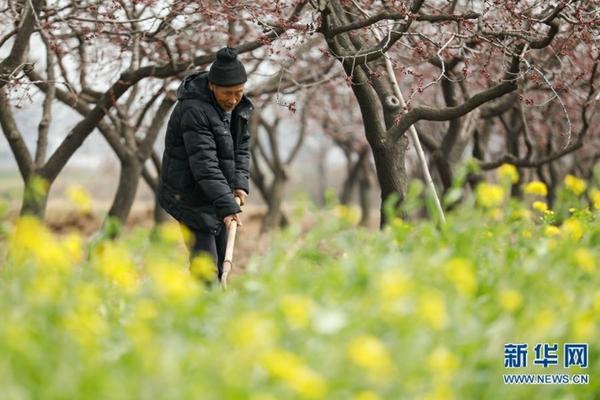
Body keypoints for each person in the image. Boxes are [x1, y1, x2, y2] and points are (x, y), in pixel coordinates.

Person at [158, 47, 252, 282]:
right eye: (226, 93)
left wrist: (239, 183)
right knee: (206, 271)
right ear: (212, 86)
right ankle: (198, 313)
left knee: (221, 267)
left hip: (217, 195)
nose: (233, 99)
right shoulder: (193, 110)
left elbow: (241, 148)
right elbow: (204, 164)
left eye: (238, 92)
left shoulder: (239, 107)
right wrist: (228, 206)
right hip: (189, 198)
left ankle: (216, 312)